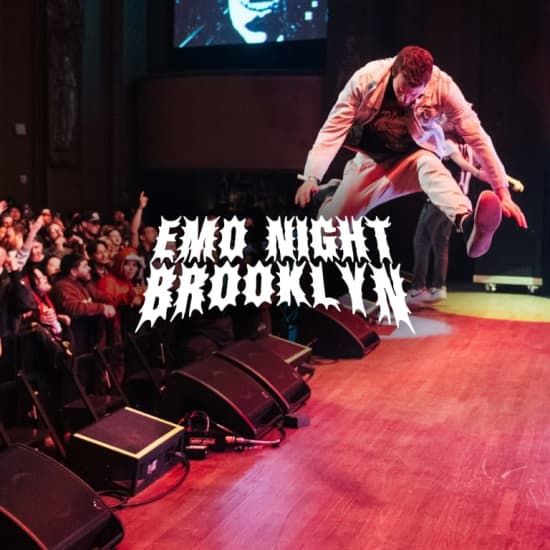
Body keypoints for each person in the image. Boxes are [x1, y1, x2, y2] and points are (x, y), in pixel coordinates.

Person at [295, 46, 527, 261]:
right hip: (374, 161)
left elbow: (477, 137)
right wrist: (312, 177)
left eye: (414, 95)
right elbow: (333, 128)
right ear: (394, 71)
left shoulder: (443, 86)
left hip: (414, 158)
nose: (406, 100)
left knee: (432, 168)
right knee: (329, 235)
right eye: (402, 92)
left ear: (426, 84)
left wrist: (502, 191)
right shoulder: (365, 79)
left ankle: (467, 225)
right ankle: (328, 195)